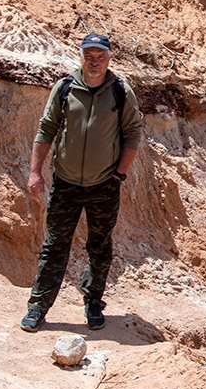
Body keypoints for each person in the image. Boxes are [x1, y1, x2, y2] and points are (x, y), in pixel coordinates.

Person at [20, 32, 144, 333]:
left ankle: (92, 304)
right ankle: (38, 307)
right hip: (65, 182)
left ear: (109, 58)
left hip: (104, 184)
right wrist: (35, 172)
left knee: (99, 245)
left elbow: (132, 134)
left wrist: (118, 175)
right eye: (89, 54)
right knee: (54, 245)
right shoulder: (64, 88)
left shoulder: (120, 91)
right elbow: (46, 128)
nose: (95, 60)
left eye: (100, 55)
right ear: (81, 55)